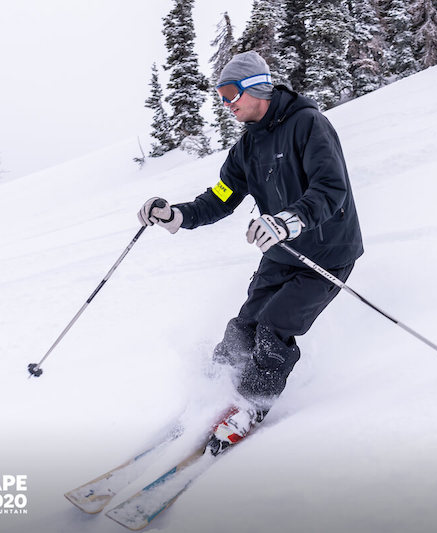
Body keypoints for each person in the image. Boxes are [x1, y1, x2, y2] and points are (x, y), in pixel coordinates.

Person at [138, 51, 363, 453]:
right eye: (220, 95)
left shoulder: (308, 125)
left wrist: (288, 221)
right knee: (244, 326)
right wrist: (177, 215)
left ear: (257, 87)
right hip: (280, 254)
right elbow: (221, 197)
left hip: (326, 254)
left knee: (274, 327)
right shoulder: (247, 147)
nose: (226, 103)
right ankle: (213, 386)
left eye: (230, 93)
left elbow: (330, 189)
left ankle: (251, 405)